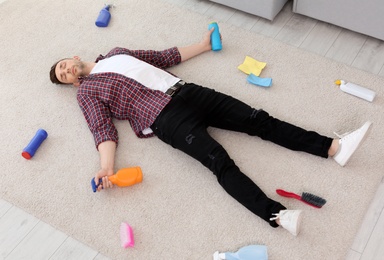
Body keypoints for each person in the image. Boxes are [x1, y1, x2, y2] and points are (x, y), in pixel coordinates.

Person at [49, 28, 371, 236]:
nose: (66, 71)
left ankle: (333, 148)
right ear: (74, 82)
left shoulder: (117, 52)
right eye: (64, 76)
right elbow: (102, 128)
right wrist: (107, 167)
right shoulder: (86, 93)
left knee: (259, 120)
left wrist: (202, 46)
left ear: (74, 58)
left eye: (64, 65)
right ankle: (276, 215)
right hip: (165, 120)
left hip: (188, 91)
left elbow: (162, 57)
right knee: (220, 162)